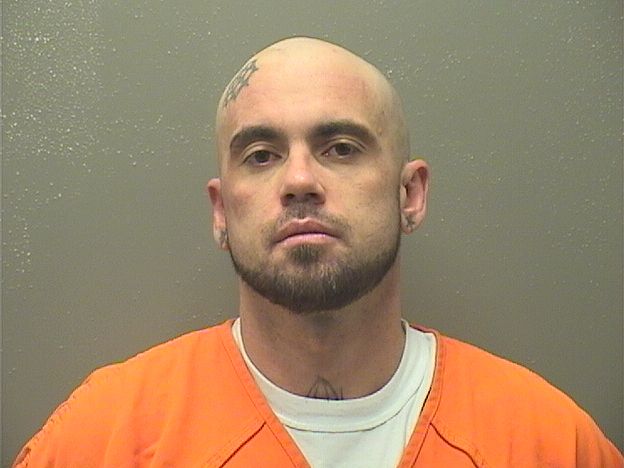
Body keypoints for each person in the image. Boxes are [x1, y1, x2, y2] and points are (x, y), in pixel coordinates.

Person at [14, 37, 622, 468]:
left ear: (410, 194)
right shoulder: (103, 438)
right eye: (261, 155)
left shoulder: (549, 442)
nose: (299, 180)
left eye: (341, 148)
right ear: (222, 211)